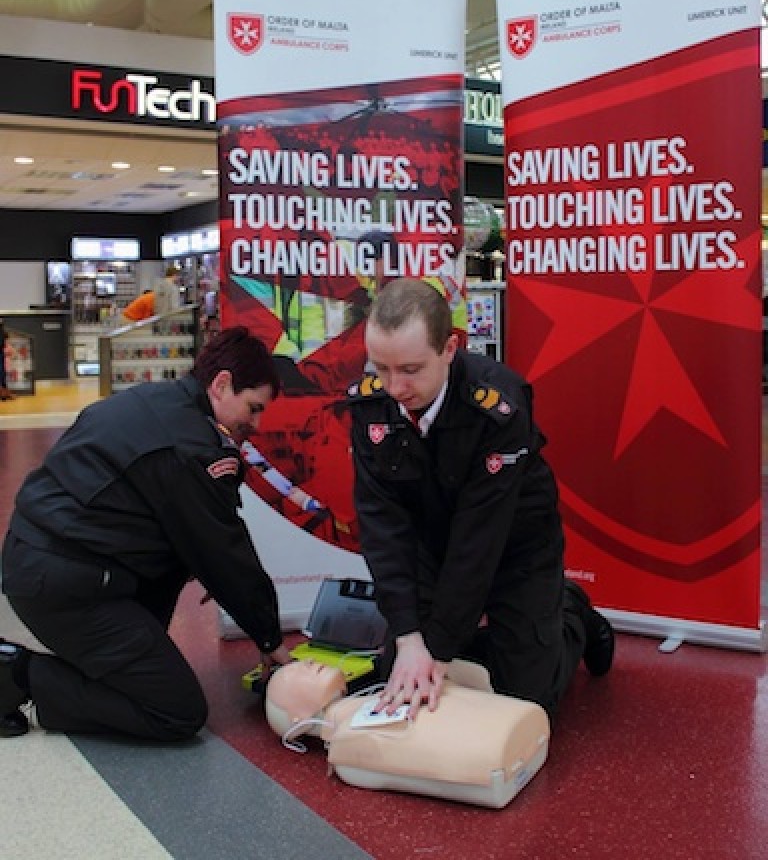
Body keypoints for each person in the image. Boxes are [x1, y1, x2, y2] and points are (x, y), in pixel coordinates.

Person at [0, 326, 292, 740]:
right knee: (176, 711)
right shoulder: (192, 448)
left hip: (41, 559)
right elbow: (225, 550)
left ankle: (116, 665)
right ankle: (21, 674)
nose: (257, 423)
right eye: (254, 407)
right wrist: (269, 637)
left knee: (176, 563)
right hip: (66, 585)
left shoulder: (151, 400)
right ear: (222, 384)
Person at [345, 278, 614, 722]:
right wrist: (411, 638)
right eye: (381, 368)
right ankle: (473, 638)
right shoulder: (369, 407)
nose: (394, 387)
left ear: (449, 349)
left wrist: (440, 649)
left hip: (513, 542)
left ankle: (573, 616)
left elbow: (480, 539)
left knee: (526, 698)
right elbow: (382, 528)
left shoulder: (498, 405)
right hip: (432, 542)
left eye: (411, 370)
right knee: (400, 670)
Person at [264, 658, 550, 808]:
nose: (307, 663)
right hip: (502, 752)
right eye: (296, 674)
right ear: (296, 720)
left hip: (514, 736)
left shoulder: (363, 712)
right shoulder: (346, 753)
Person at [0, 317, 14, 401]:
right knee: (2, 372)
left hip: (1, 353)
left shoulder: (3, 332)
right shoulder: (3, 331)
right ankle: (4, 394)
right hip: (1, 353)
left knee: (2, 372)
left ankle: (4, 393)